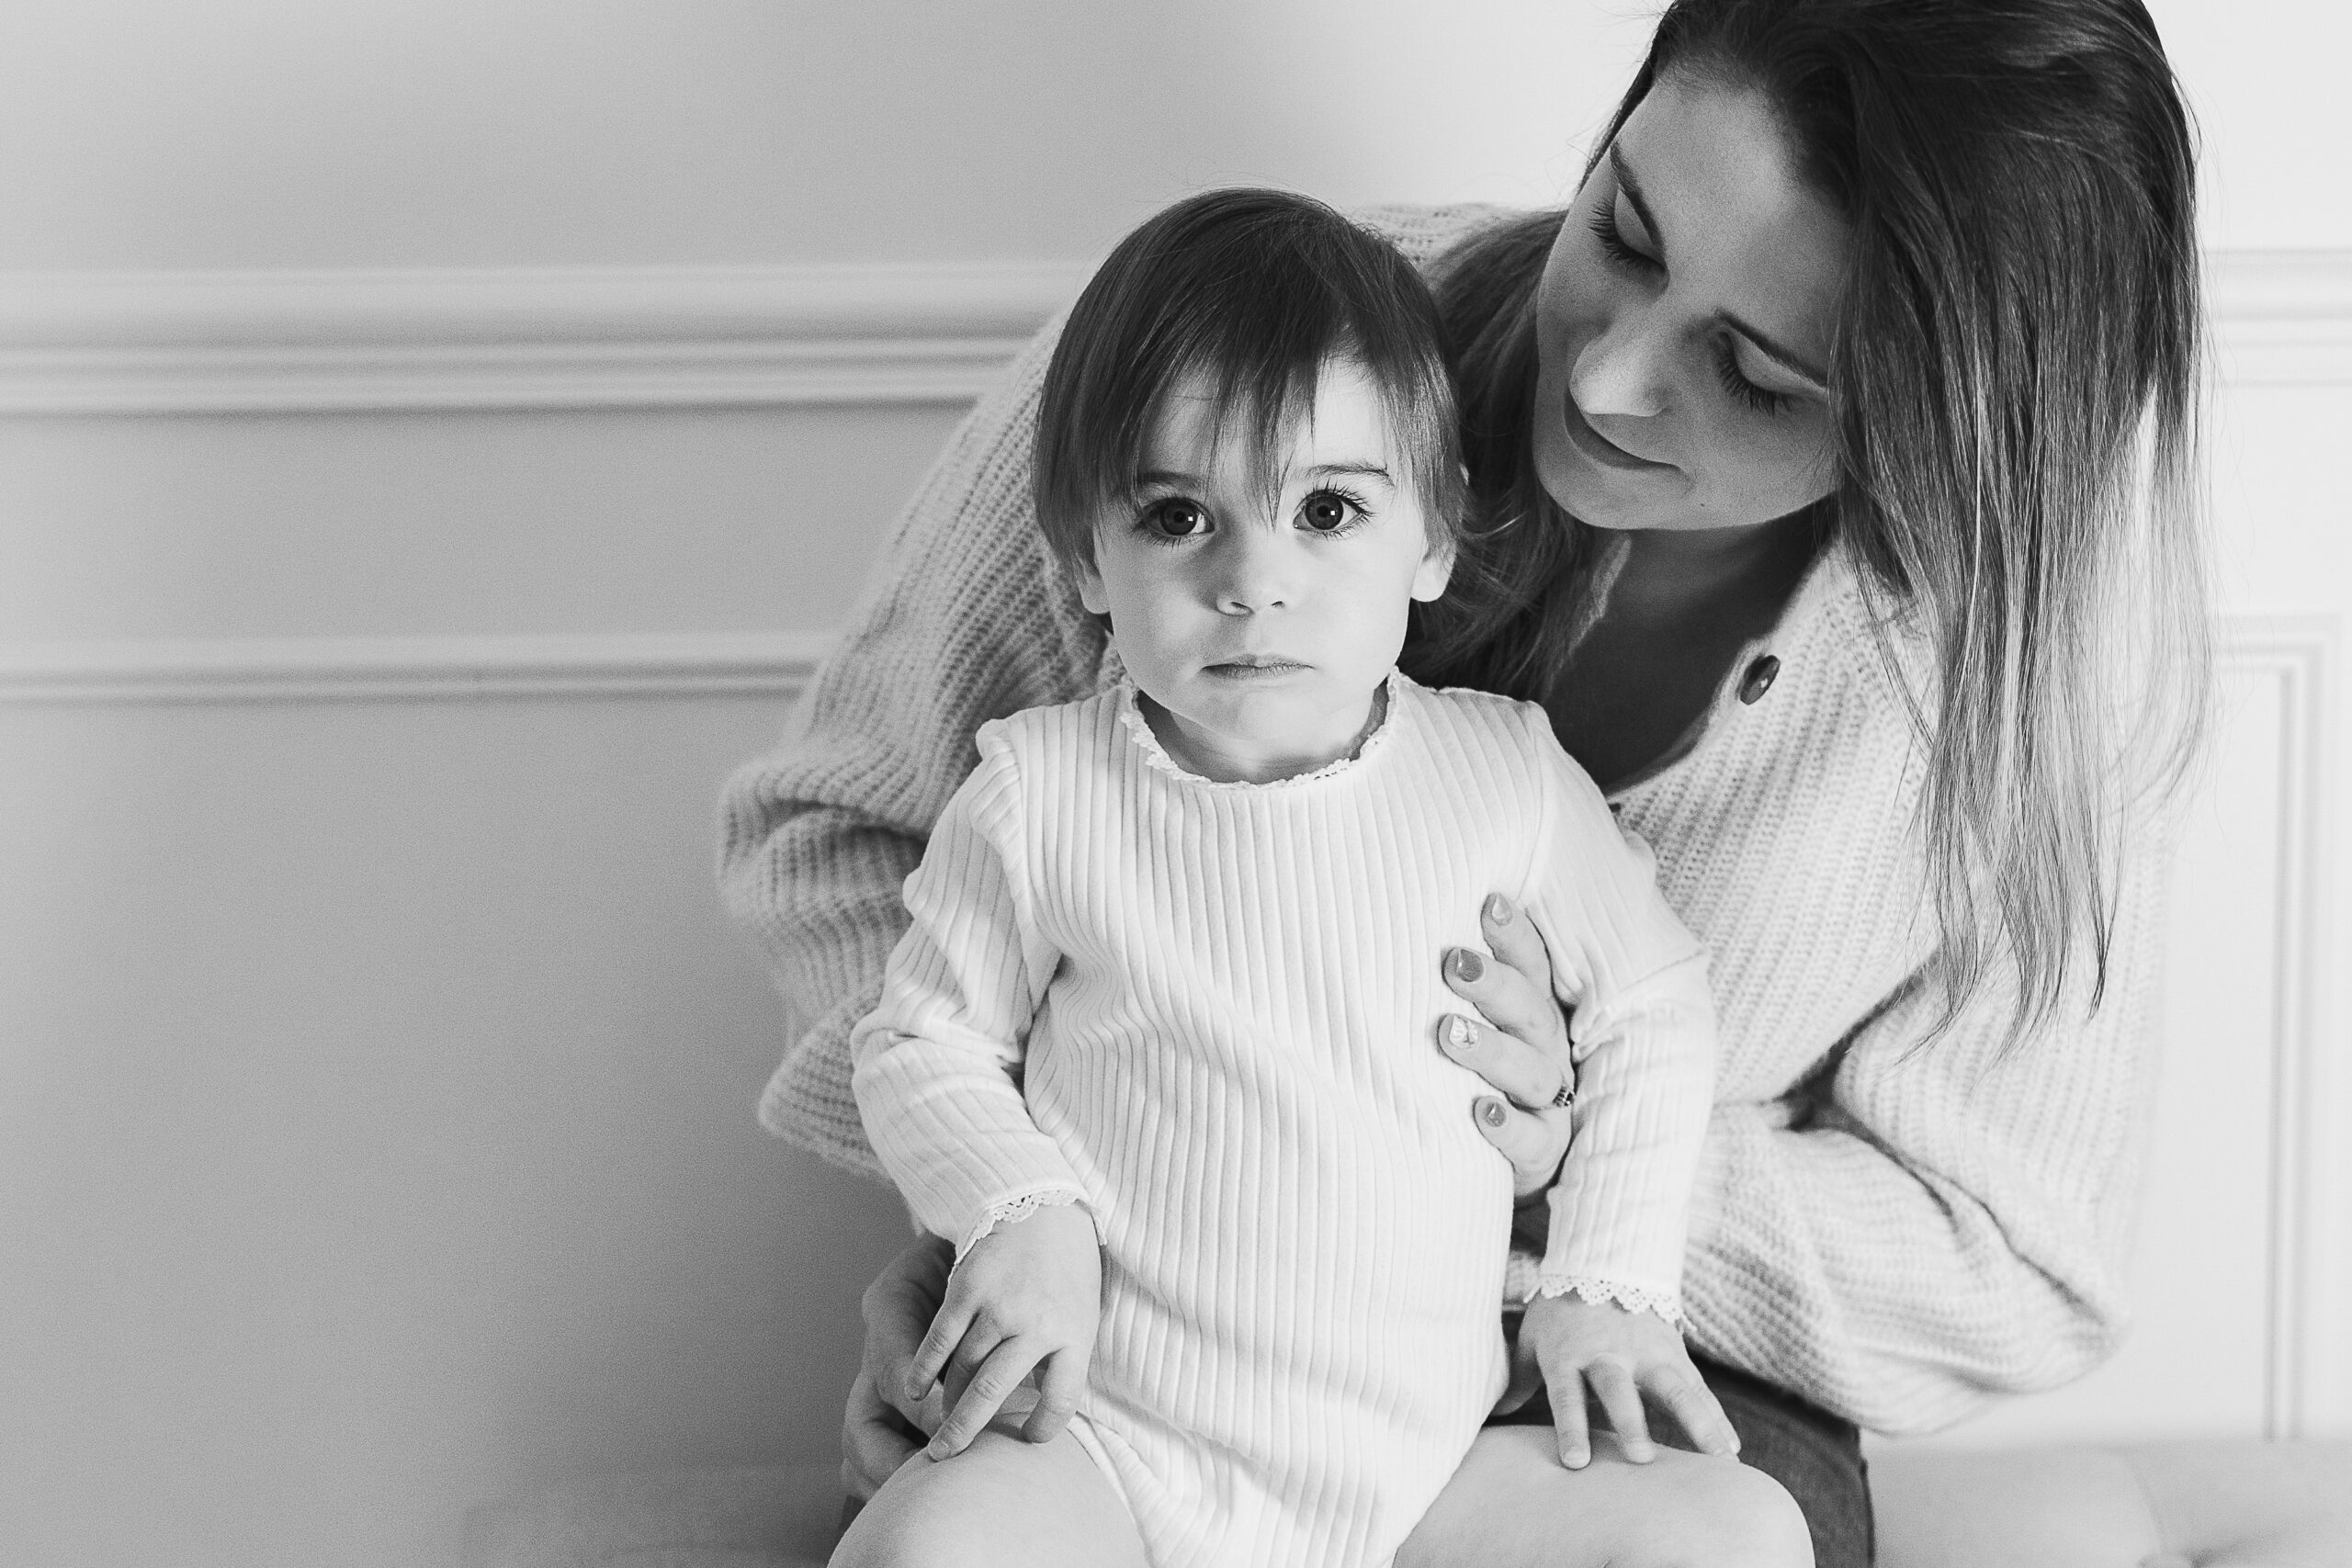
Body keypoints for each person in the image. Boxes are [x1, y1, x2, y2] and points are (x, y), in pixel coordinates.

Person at [719, 0, 2207, 1562]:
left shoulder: (2034, 673)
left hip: (1634, 1360)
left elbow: (2013, 1266)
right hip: (1140, 1330)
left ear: (1940, 437)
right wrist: (1012, 1192)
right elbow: (832, 843)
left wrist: (1597, 1159)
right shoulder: (1214, 372)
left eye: (1758, 378)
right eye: (1625, 230)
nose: (1615, 379)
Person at [834, 188, 1743, 1568]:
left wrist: (1607, 1278)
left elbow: (1654, 1013)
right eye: (1180, 517)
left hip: (1432, 1479)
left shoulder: (1505, 779)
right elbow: (921, 1041)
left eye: (1327, 510)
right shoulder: (1038, 792)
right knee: (928, 1548)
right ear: (1084, 553)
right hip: (1109, 1455)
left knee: (1735, 1531)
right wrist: (1018, 1209)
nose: (1256, 581)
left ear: (1430, 541)